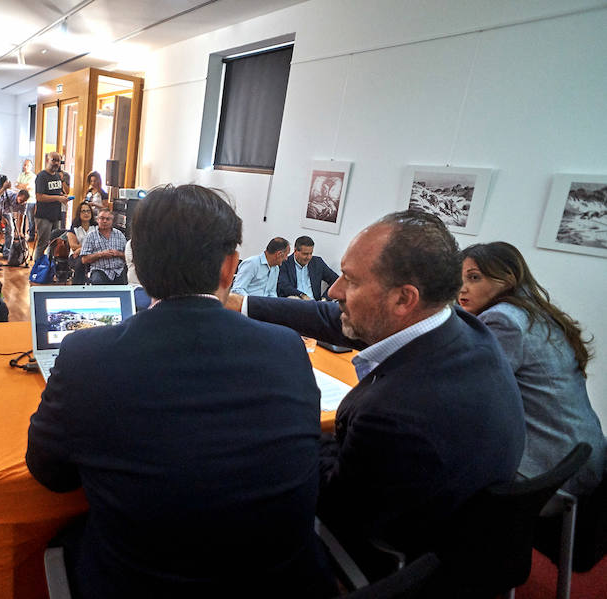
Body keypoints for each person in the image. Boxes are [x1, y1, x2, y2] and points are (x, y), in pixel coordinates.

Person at [26, 184, 334, 598]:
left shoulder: (84, 356)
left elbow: (51, 474)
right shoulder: (286, 348)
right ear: (230, 268)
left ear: (140, 266)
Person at [228, 210, 525, 571]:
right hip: (462, 527)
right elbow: (332, 319)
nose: (334, 290)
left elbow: (333, 501)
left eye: (351, 282)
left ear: (403, 299)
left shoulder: (396, 413)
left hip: (389, 556)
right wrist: (241, 304)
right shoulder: (460, 327)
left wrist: (283, 417)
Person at [459, 242, 606, 495]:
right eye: (458, 279)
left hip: (548, 469)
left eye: (474, 278)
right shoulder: (534, 311)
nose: (462, 288)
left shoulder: (503, 319)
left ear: (508, 279)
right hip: (580, 454)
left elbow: (474, 394)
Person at [277, 235, 339, 300]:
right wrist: (301, 295)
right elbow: (284, 286)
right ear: (295, 251)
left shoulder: (317, 263)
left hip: (315, 304)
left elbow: (336, 281)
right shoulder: (284, 263)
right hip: (293, 302)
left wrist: (325, 298)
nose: (309, 257)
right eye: (305, 254)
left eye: (311, 253)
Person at [33, 152, 69, 261]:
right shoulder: (41, 176)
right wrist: (58, 198)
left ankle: (49, 267)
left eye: (58, 161)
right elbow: (39, 197)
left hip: (56, 214)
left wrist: (62, 196)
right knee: (43, 243)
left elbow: (58, 192)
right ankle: (37, 268)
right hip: (44, 215)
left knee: (55, 243)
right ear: (47, 160)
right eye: (54, 160)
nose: (56, 163)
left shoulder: (58, 176)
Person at [80, 210, 127, 285]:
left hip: (119, 271)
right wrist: (101, 254)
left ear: (112, 221)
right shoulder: (90, 236)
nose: (104, 221)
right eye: (102, 218)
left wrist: (118, 254)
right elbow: (84, 260)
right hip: (99, 270)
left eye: (108, 219)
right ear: (97, 220)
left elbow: (128, 257)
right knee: (97, 280)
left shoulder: (120, 235)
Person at [66, 201, 96, 284]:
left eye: (88, 211)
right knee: (81, 262)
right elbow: (73, 246)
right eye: (83, 211)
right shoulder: (74, 228)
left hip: (94, 255)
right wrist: (88, 247)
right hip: (76, 256)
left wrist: (81, 249)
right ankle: (77, 287)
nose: (86, 213)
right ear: (79, 213)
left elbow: (100, 243)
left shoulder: (96, 227)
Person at [16, 159, 37, 243]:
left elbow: (28, 186)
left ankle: (31, 235)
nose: (25, 167)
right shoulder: (21, 174)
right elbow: (16, 185)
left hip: (30, 200)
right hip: (21, 200)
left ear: (31, 167)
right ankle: (21, 234)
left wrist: (21, 185)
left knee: (30, 218)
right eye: (24, 165)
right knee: (21, 217)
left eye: (27, 165)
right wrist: (22, 186)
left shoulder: (33, 176)